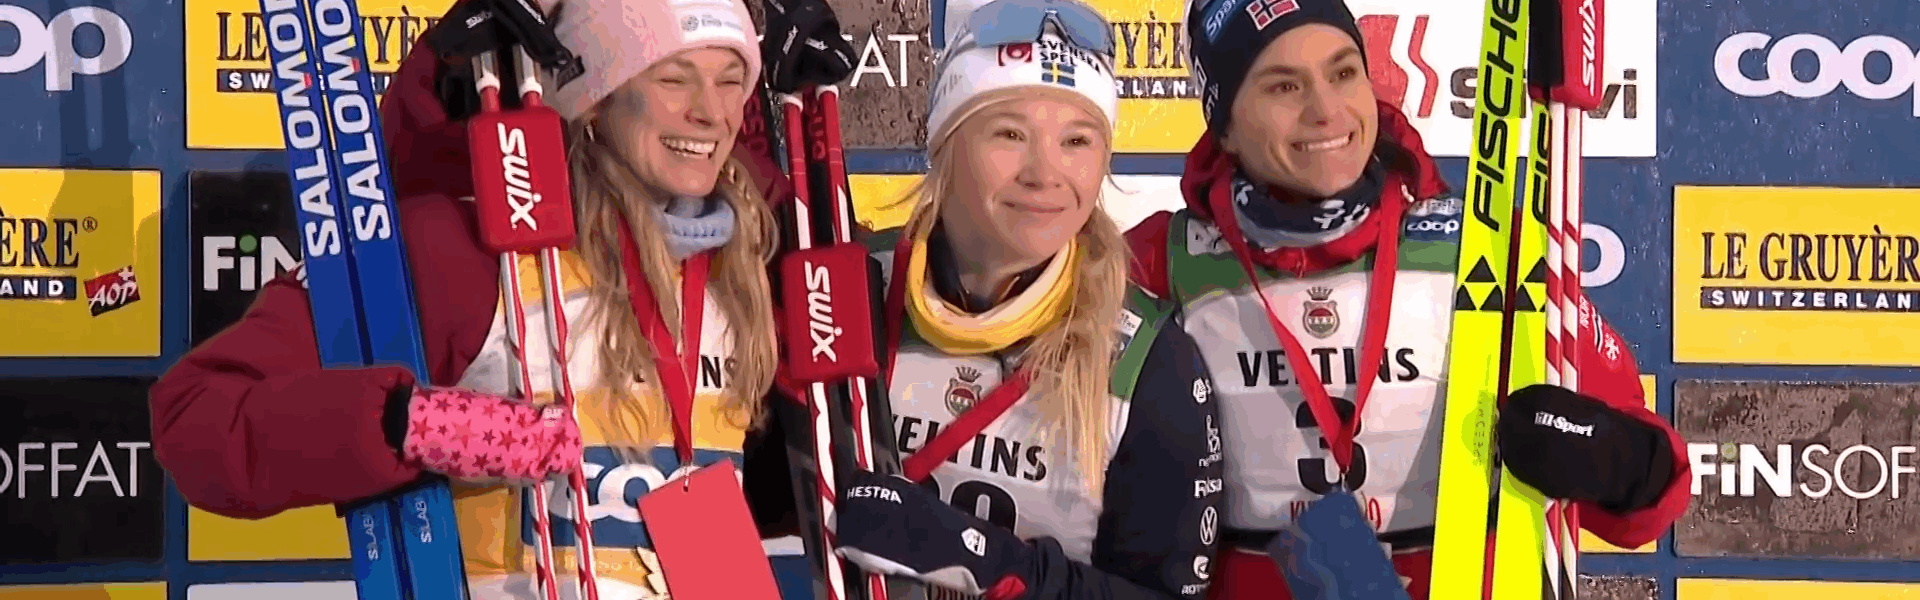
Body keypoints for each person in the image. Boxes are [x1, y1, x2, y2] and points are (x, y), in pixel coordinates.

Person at [148, 0, 814, 597]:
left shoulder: (744, 268)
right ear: (596, 98)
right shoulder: (464, 251)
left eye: (731, 80)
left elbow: (777, 488)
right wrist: (404, 423)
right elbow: (199, 416)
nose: (710, 111)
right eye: (673, 79)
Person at [1121, 0, 1693, 598]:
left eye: (1344, 72)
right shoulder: (1158, 263)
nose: (1326, 109)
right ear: (1225, 125)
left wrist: (1614, 459)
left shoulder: (1485, 248)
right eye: (1283, 86)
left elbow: (1660, 490)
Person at [815, 1, 1224, 599]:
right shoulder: (843, 290)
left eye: (1077, 141)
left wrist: (993, 562)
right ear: (945, 143)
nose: (1045, 174)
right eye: (1009, 134)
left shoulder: (1150, 363)